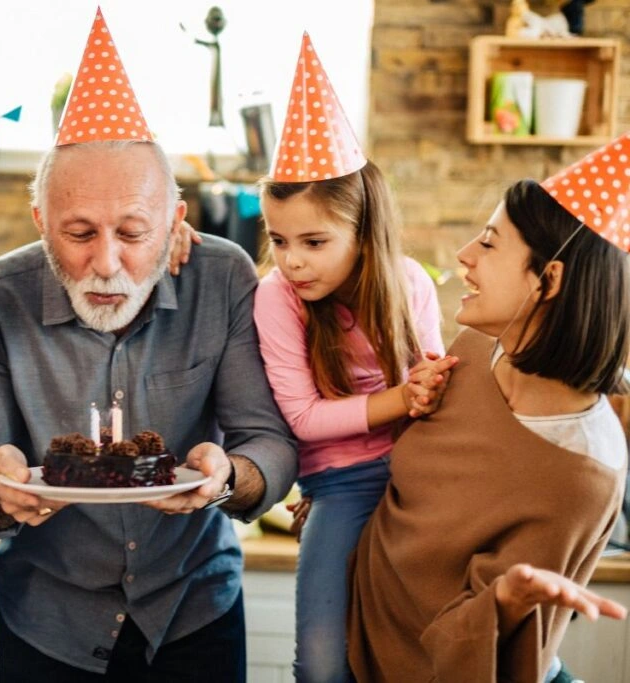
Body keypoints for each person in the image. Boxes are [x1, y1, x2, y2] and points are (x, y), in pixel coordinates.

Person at [0, 9, 296, 682]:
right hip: (48, 623)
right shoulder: (0, 294)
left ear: (175, 223)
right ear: (40, 222)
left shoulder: (222, 277)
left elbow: (270, 445)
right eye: (78, 233)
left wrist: (225, 475)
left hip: (195, 611)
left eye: (133, 232)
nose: (105, 262)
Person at [348, 134, 630, 682]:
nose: (464, 256)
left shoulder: (583, 469)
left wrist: (503, 600)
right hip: (362, 640)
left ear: (548, 280)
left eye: (490, 243)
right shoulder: (476, 347)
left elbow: (495, 646)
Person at [251, 33, 453, 683]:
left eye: (314, 240)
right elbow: (306, 420)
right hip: (337, 485)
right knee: (318, 662)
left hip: (419, 475)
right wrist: (401, 398)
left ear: (363, 232)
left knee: (427, 642)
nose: (292, 259)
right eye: (279, 239)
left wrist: (427, 389)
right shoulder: (275, 298)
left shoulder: (411, 284)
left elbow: (437, 386)